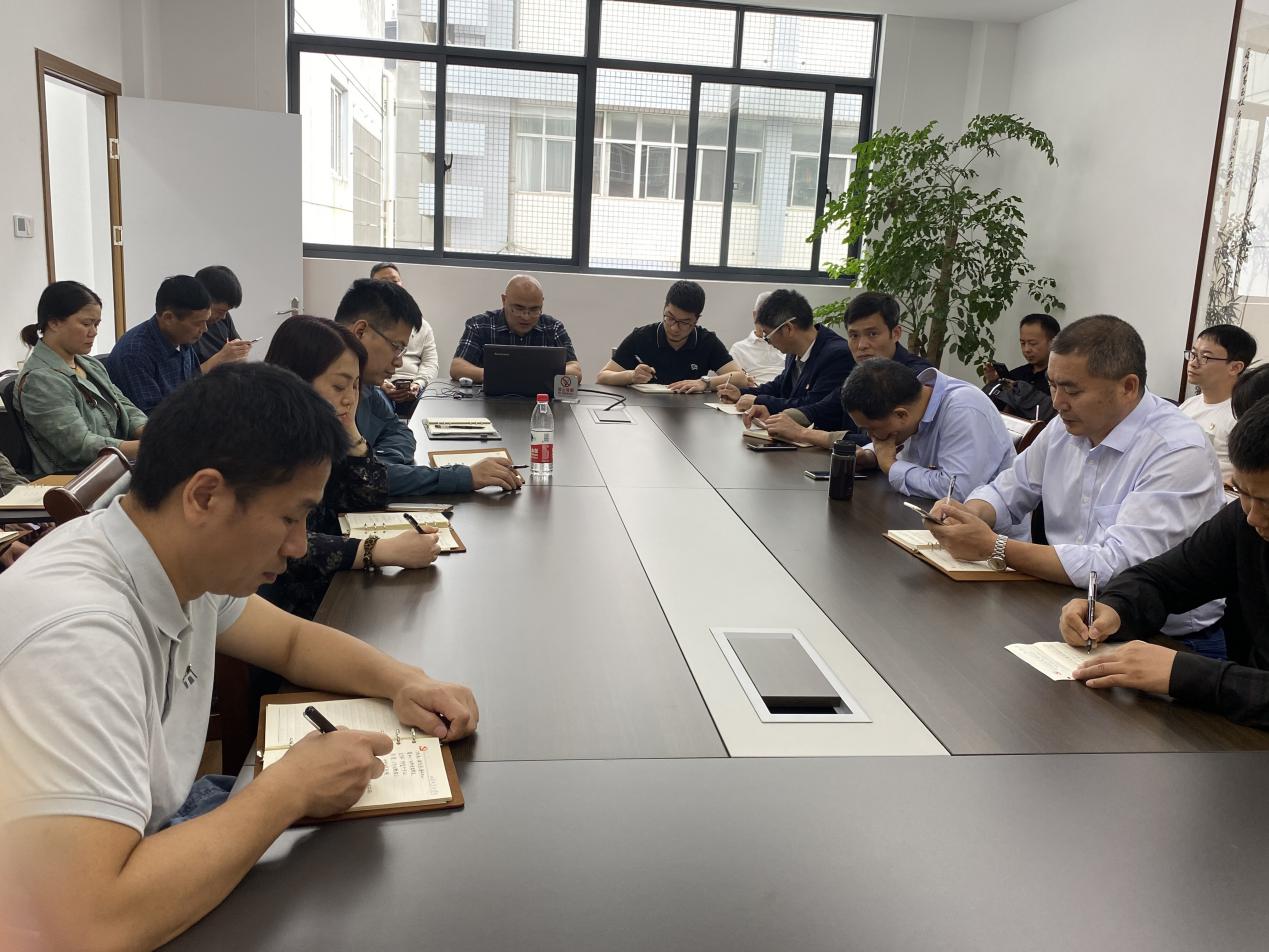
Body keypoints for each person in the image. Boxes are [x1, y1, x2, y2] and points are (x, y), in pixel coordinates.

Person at [0, 363, 478, 950]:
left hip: (139, 839)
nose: (298, 545)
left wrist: (404, 680)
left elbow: (293, 642)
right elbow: (92, 925)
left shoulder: (175, 556)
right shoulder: (78, 637)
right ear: (205, 496)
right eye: (289, 517)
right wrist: (290, 788)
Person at [928, 315, 1228, 656]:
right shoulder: (1065, 426)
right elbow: (1008, 489)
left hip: (1165, 640)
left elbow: (1119, 566)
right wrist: (968, 515)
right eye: (1053, 386)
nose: (1057, 402)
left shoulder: (1177, 450)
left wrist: (994, 547)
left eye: (1072, 390)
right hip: (1067, 607)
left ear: (1128, 387)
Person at [1059, 399, 1269, 726]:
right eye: (1243, 493)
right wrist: (1114, 608)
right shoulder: (1243, 523)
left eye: (1267, 501)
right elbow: (1164, 578)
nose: (1253, 516)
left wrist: (1184, 673)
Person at [262, 316, 441, 619]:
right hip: (284, 610)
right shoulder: (264, 445)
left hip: (330, 588)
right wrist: (380, 550)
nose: (349, 398)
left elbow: (367, 496)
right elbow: (283, 543)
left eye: (355, 385)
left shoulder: (316, 435)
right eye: (338, 386)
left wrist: (353, 435)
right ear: (294, 380)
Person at [334, 279, 523, 495]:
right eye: (397, 347)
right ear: (360, 332)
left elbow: (400, 433)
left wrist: (380, 465)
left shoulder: (366, 388)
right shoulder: (321, 394)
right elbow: (357, 482)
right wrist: (463, 476)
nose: (399, 361)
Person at [758, 291, 933, 448]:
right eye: (854, 335)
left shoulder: (918, 377)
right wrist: (781, 418)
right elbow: (827, 407)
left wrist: (803, 433)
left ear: (895, 333)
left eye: (872, 334)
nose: (861, 345)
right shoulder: (863, 372)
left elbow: (884, 442)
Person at [15, 281, 146, 477]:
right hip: (78, 479)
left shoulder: (89, 364)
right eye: (86, 324)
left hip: (114, 467)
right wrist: (148, 447)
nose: (94, 332)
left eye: (96, 324)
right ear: (54, 323)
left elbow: (125, 407)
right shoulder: (40, 380)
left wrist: (155, 433)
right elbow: (81, 446)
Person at [839, 359, 1016, 501]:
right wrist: (872, 455)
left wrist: (891, 466)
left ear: (901, 415)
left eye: (871, 429)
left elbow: (956, 490)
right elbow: (899, 446)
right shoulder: (914, 403)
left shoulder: (963, 409)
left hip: (989, 531)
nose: (871, 436)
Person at [716, 289, 854, 431]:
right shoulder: (793, 350)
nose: (768, 341)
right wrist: (742, 393)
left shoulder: (837, 355)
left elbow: (812, 406)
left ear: (788, 329)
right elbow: (780, 386)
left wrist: (758, 401)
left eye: (767, 335)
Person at [596, 280, 747, 392]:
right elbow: (602, 376)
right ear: (664, 307)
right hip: (644, 410)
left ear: (696, 320)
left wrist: (704, 383)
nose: (674, 328)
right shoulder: (642, 337)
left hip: (691, 412)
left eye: (684, 322)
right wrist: (631, 376)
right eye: (670, 318)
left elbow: (740, 378)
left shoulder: (706, 341)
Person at [105, 275, 211, 413]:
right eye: (198, 323)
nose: (205, 329)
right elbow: (151, 417)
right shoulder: (134, 353)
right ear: (168, 318)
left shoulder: (183, 339)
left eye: (206, 321)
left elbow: (196, 390)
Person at [449, 274, 582, 383]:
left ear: (542, 303)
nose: (525, 316)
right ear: (504, 300)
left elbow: (575, 370)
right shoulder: (480, 325)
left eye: (534, 309)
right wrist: (500, 376)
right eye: (518, 308)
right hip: (489, 401)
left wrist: (530, 374)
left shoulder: (553, 328)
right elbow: (457, 367)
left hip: (542, 401)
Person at [1178, 323, 1257, 485]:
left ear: (1235, 367)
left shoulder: (1241, 417)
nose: (1193, 363)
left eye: (1205, 357)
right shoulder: (1188, 405)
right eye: (1193, 354)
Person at [370, 262, 438, 416]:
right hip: (379, 386)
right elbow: (363, 363)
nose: (391, 286)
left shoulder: (422, 325)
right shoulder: (366, 324)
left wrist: (418, 384)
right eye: (383, 282)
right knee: (377, 403)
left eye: (395, 281)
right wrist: (382, 384)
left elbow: (430, 363)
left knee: (432, 405)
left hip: (415, 386)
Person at [982, 314, 1060, 419]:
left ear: (1053, 342)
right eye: (1023, 343)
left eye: (1033, 343)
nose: (1026, 349)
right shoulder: (1015, 375)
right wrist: (993, 383)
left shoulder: (1061, 378)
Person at [193, 265, 254, 369]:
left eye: (227, 311)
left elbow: (238, 353)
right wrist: (221, 358)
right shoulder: (184, 327)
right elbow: (185, 377)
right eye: (220, 311)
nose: (223, 317)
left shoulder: (223, 318)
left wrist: (240, 353)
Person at [728, 292, 785, 385]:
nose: (769, 323)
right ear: (755, 315)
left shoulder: (788, 347)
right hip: (754, 391)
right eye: (765, 317)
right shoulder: (739, 349)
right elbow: (730, 381)